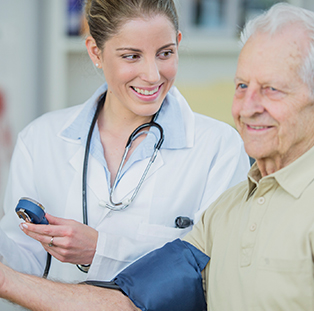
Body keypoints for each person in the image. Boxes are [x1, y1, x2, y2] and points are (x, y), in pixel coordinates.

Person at [0, 2, 310, 310]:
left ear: (177, 43)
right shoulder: (39, 140)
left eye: (165, 53)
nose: (152, 74)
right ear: (95, 52)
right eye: (131, 56)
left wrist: (101, 248)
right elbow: (20, 263)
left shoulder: (221, 146)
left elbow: (200, 272)